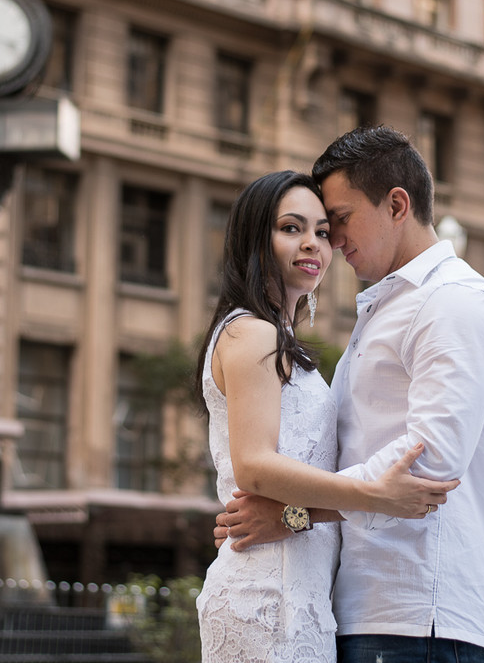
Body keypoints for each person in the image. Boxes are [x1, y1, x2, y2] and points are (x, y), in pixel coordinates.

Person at [215, 127, 484, 663]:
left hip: (422, 610)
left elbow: (424, 471)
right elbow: (361, 470)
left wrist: (294, 514)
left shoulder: (451, 303)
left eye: (338, 219)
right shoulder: (384, 307)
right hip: (365, 608)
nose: (330, 239)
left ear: (397, 204)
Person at [195, 169, 459, 663]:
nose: (314, 244)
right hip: (264, 601)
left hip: (304, 599)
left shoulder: (281, 343)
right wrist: (373, 495)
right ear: (255, 238)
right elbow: (253, 465)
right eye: (291, 228)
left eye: (322, 231)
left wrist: (300, 516)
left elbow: (289, 510)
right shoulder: (251, 333)